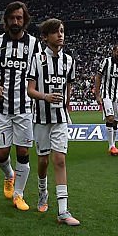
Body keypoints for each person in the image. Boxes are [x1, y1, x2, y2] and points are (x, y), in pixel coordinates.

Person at [0, 1, 41, 210]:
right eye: (12, 18)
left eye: (19, 18)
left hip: (25, 109)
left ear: (24, 20)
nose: (16, 22)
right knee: (1, 155)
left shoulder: (34, 45)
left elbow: (39, 73)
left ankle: (19, 194)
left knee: (23, 152)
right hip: (2, 109)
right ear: (6, 20)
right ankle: (9, 175)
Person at [26, 18, 79, 225]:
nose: (60, 35)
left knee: (60, 160)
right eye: (56, 32)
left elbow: (69, 85)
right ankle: (42, 191)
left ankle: (63, 211)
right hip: (40, 118)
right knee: (43, 161)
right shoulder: (37, 60)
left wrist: (66, 102)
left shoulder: (69, 61)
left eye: (63, 31)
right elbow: (30, 90)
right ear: (45, 37)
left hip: (60, 119)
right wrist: (45, 97)